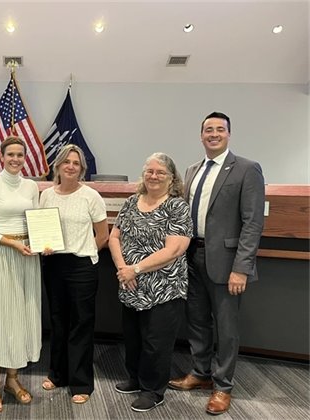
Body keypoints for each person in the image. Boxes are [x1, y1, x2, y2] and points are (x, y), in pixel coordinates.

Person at [168, 112, 265, 415]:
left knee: (226, 327)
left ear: (228, 134)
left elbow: (253, 223)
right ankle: (199, 374)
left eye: (219, 129)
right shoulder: (192, 169)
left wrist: (242, 267)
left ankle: (223, 386)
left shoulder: (247, 169)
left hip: (226, 262)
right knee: (196, 321)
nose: (213, 134)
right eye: (208, 129)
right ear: (201, 136)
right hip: (192, 256)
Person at [108, 152, 192, 412]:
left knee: (157, 342)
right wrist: (123, 268)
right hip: (131, 285)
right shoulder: (132, 202)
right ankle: (135, 378)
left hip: (164, 288)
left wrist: (136, 269)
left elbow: (175, 249)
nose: (154, 176)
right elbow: (114, 237)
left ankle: (153, 390)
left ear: (171, 178)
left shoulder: (176, 206)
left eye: (160, 172)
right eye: (150, 171)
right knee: (133, 338)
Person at [0, 136, 42, 413]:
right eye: (10, 154)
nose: (15, 159)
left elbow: (37, 221)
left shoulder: (31, 186)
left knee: (21, 317)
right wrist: (11, 242)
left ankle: (13, 380)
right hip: (1, 255)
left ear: (25, 158)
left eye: (20, 155)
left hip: (27, 258)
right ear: (1, 157)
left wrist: (41, 243)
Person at [39, 144, 108, 404]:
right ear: (57, 166)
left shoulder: (91, 196)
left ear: (82, 169)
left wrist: (85, 249)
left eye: (76, 163)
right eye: (66, 162)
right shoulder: (46, 195)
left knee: (81, 324)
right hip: (54, 264)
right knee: (58, 321)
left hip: (82, 266)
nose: (70, 166)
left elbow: (102, 235)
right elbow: (42, 229)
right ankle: (57, 374)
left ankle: (81, 383)